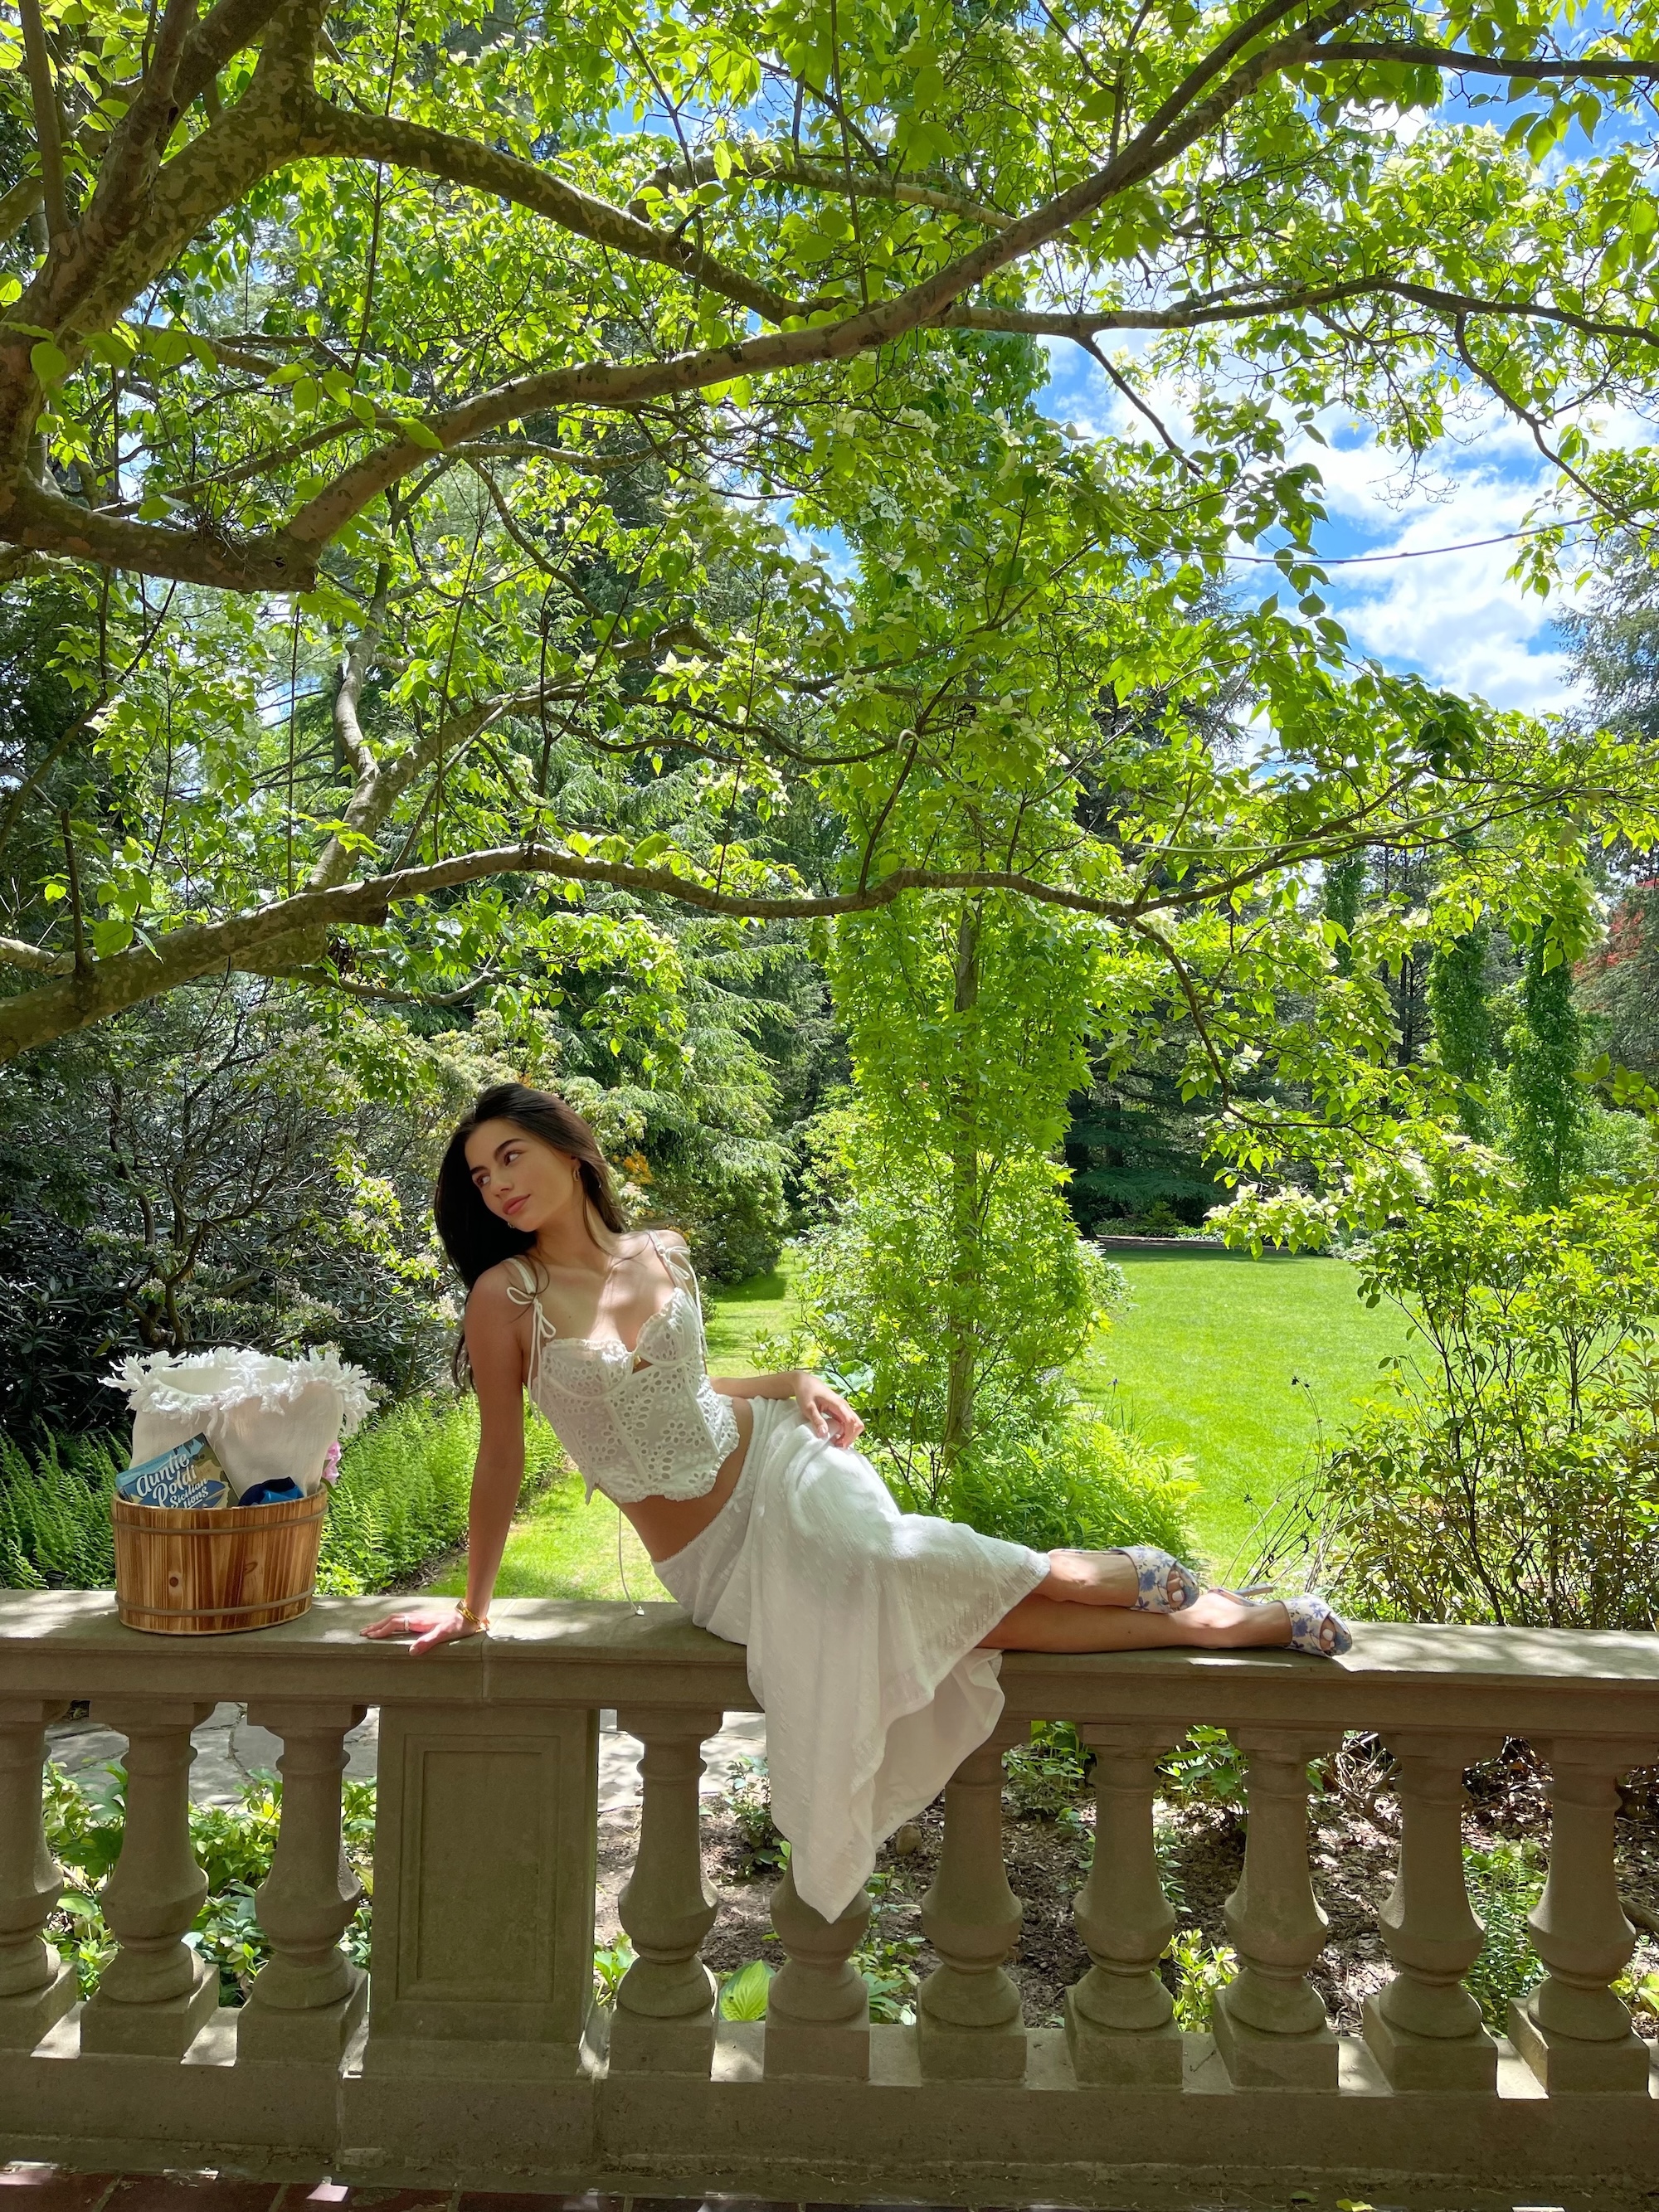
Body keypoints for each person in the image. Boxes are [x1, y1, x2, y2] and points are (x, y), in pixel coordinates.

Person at [366, 1083, 1351, 1921]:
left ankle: (1171, 1604)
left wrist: (791, 1378)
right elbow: (500, 1457)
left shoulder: (661, 1254)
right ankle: (1174, 1601)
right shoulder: (507, 1296)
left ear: (571, 1151)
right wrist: (473, 1605)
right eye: (480, 1177)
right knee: (945, 1615)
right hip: (711, 1561)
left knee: (891, 1567)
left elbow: (688, 1390)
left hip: (778, 1467)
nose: (496, 1185)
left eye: (509, 1156)